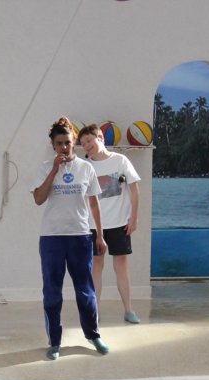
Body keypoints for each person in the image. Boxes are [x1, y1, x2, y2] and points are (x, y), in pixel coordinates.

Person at [31, 116, 109, 360]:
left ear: (74, 141)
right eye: (59, 144)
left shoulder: (86, 168)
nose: (64, 147)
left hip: (80, 237)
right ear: (53, 145)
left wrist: (100, 236)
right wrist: (55, 169)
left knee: (85, 291)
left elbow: (94, 204)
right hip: (52, 238)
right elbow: (38, 199)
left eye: (67, 142)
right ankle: (54, 341)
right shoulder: (46, 167)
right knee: (52, 292)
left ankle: (93, 335)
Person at [78, 123, 142, 324]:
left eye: (89, 140)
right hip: (93, 226)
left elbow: (134, 190)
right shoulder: (85, 166)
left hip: (119, 224)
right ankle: (94, 312)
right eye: (83, 144)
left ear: (100, 138)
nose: (87, 145)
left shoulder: (120, 160)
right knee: (96, 266)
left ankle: (129, 310)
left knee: (121, 265)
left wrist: (134, 217)